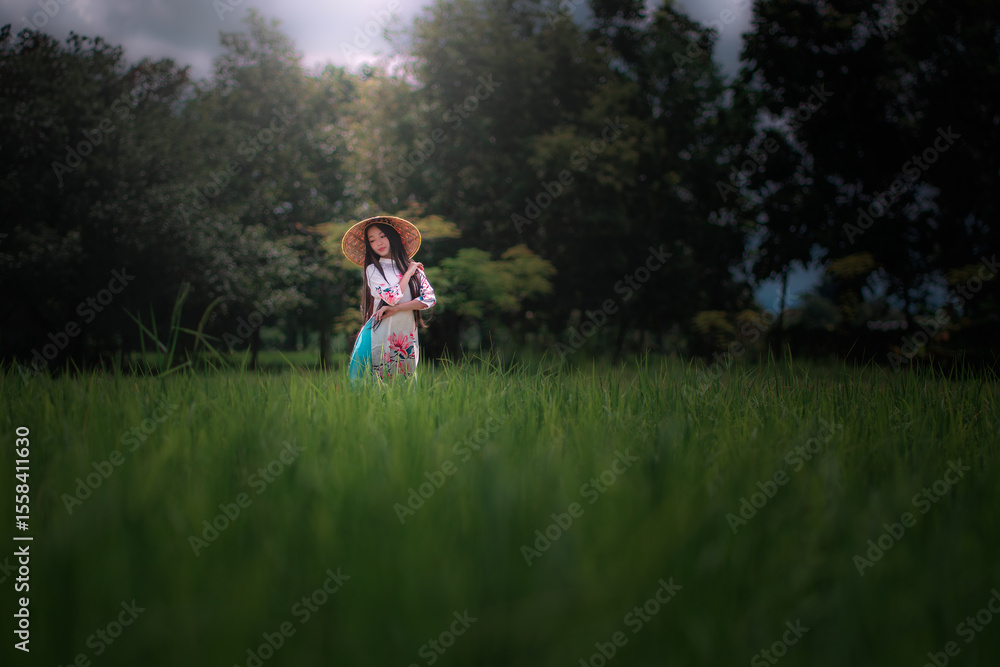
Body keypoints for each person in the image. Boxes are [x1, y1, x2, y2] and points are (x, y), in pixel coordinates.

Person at [341, 215, 437, 384]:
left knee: (404, 386)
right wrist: (408, 273)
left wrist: (399, 309)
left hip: (405, 336)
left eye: (382, 236)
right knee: (373, 386)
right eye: (372, 240)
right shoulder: (373, 269)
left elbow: (429, 299)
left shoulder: (416, 270)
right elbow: (391, 298)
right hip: (378, 334)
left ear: (392, 236)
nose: (378, 242)